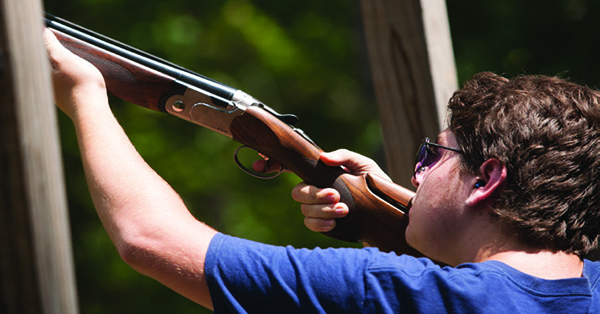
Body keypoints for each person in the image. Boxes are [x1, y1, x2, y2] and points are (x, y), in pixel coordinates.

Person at [44, 27, 600, 313]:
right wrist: (390, 215)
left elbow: (151, 239)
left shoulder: (393, 292)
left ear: (487, 180)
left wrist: (84, 94)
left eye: (433, 157)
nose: (416, 172)